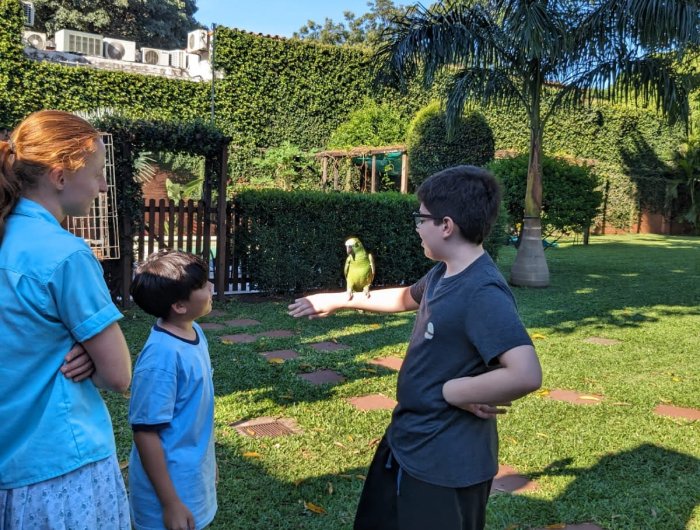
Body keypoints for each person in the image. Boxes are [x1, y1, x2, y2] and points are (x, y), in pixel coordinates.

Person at [288, 165, 542, 530]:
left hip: (445, 462)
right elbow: (406, 298)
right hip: (409, 440)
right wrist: (338, 300)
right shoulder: (444, 272)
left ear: (446, 226)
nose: (417, 227)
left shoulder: (482, 290)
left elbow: (526, 372)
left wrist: (456, 391)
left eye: (421, 219)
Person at [0, 110, 132, 528]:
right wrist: (92, 354)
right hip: (58, 472)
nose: (103, 185)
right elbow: (118, 375)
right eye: (97, 173)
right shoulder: (66, 255)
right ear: (60, 176)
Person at [128, 249, 218, 530]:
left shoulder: (194, 331)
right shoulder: (161, 357)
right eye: (202, 285)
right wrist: (170, 503)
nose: (211, 287)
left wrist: (209, 465)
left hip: (192, 478)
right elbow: (145, 433)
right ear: (179, 305)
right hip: (167, 494)